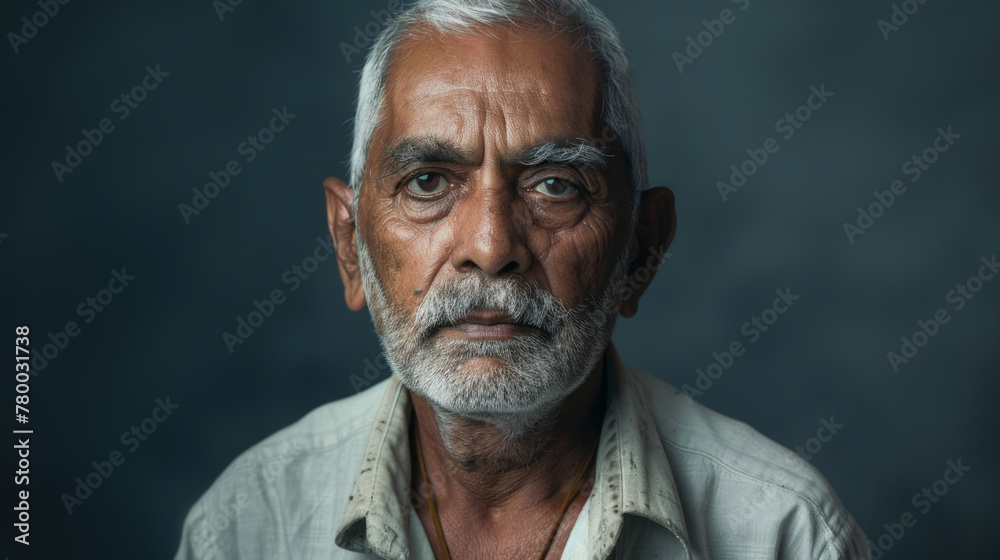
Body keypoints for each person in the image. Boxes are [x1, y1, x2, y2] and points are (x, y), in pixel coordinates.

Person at [175, 0, 870, 558]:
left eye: (555, 184)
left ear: (640, 252)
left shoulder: (786, 535)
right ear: (350, 246)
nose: (490, 247)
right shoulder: (246, 527)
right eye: (428, 182)